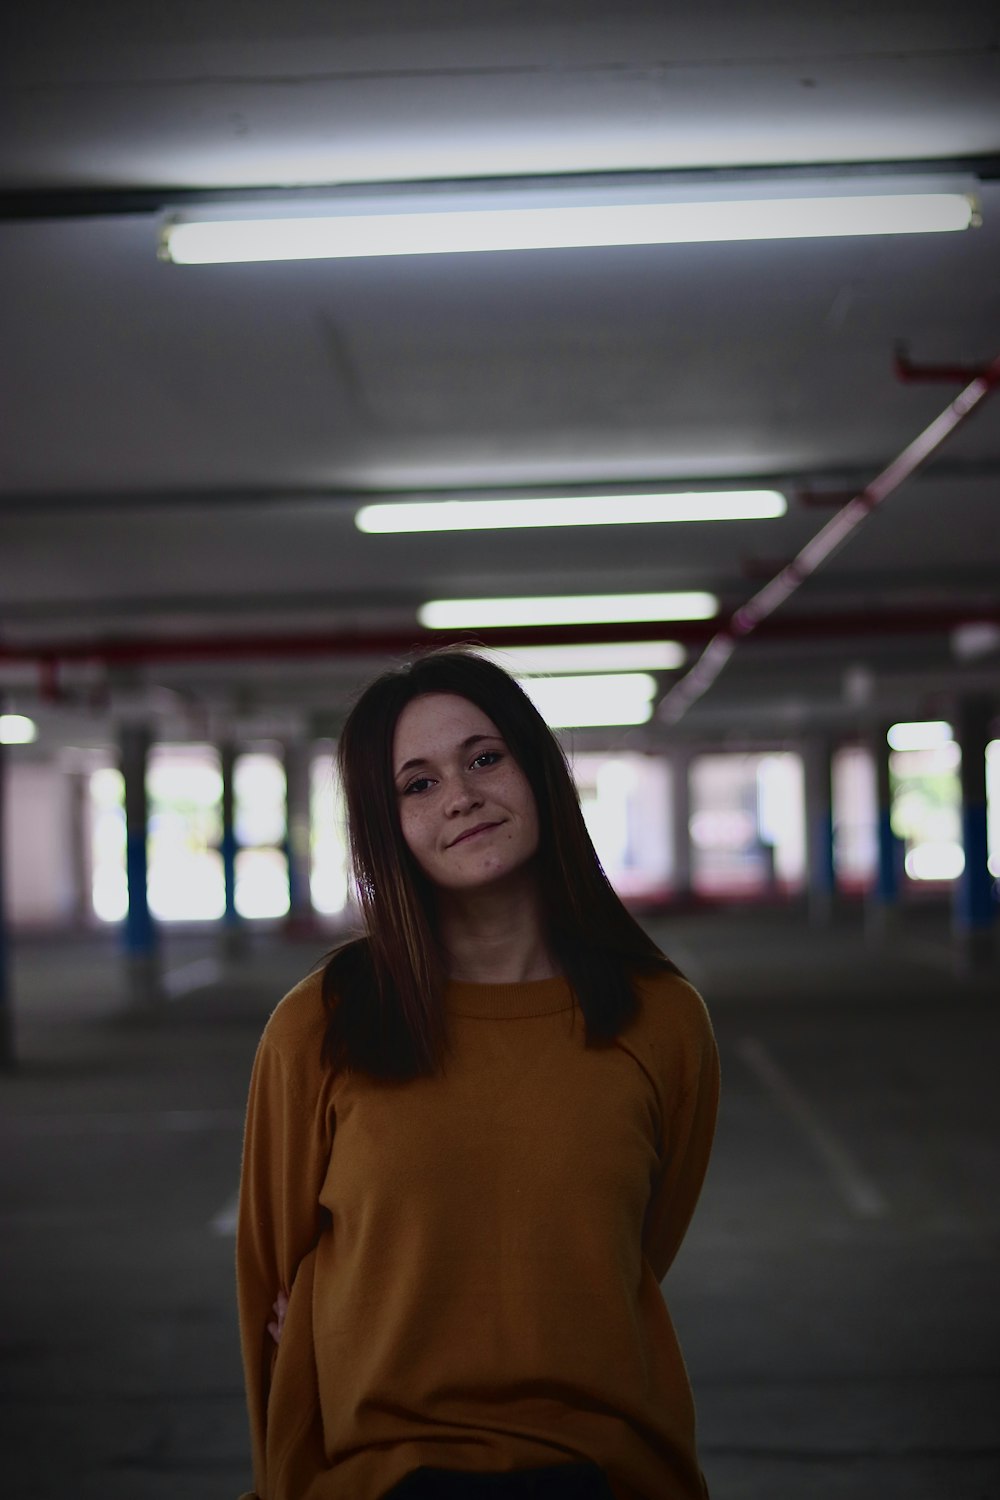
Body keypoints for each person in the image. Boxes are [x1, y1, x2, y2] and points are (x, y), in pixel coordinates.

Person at [236, 647, 720, 1500]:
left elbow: (636, 1249)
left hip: (608, 1473)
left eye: (483, 757)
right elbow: (268, 1298)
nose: (459, 795)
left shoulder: (663, 1019)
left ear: (536, 770)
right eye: (416, 784)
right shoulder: (320, 1026)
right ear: (386, 825)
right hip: (386, 1478)